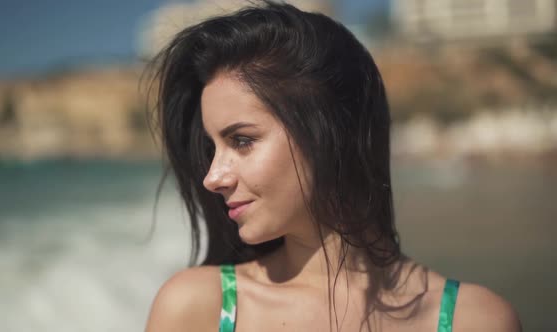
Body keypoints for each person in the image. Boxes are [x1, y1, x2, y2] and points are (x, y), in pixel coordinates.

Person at [144, 1, 521, 331]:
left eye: (242, 141)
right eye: (212, 149)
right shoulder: (196, 310)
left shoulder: (475, 321)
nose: (212, 177)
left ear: (333, 130)